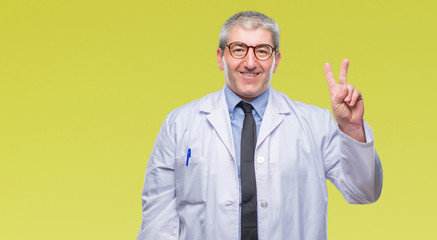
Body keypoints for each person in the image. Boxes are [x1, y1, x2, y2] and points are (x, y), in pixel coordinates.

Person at [137, 11, 383, 240]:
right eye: (238, 49)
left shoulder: (315, 124)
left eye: (262, 51)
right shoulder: (180, 124)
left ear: (276, 61)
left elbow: (364, 192)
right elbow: (157, 222)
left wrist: (351, 128)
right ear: (221, 58)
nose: (250, 62)